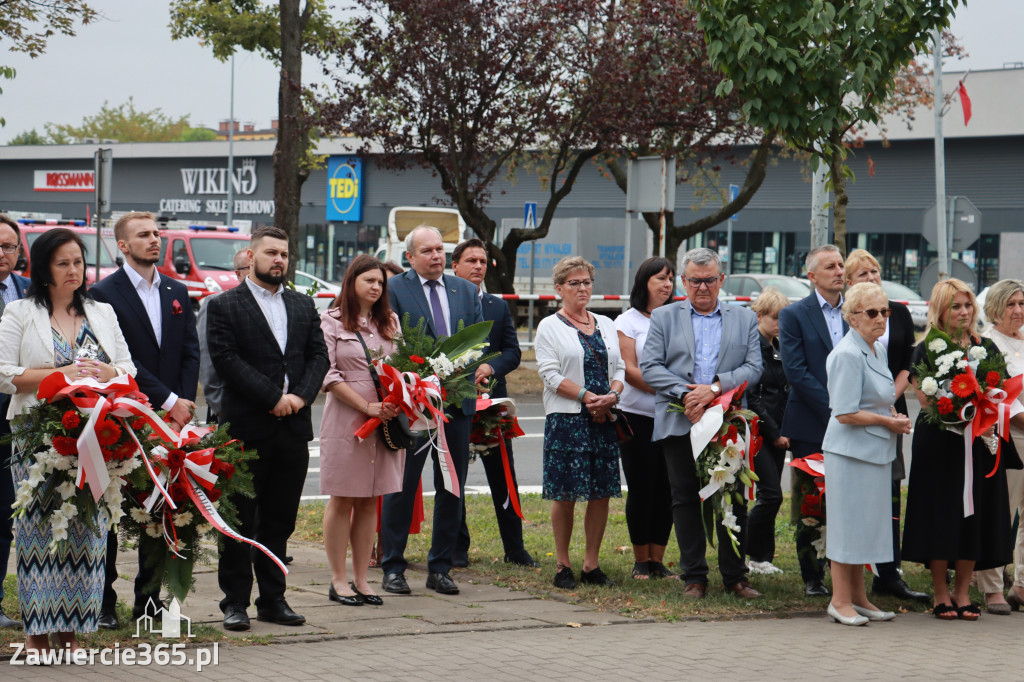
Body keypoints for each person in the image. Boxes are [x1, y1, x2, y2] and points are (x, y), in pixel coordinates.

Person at [0, 228, 135, 654]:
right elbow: (5, 374)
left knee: (87, 533)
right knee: (39, 534)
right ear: (43, 269)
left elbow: (128, 370)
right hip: (37, 436)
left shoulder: (102, 312)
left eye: (78, 261)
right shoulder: (20, 312)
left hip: (97, 436)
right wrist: (63, 376)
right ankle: (38, 634)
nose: (73, 270)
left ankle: (72, 630)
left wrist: (104, 374)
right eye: (63, 263)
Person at [206, 226, 329, 631]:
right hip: (246, 429)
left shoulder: (302, 304)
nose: (279, 260)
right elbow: (226, 359)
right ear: (251, 255)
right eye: (271, 253)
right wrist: (274, 397)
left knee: (281, 520)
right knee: (239, 520)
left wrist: (300, 398)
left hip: (292, 429)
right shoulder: (225, 305)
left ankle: (273, 600)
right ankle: (235, 602)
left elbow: (318, 356)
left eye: (284, 254)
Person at [90, 211, 201, 628]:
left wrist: (183, 405)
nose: (155, 240)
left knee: (160, 510)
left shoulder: (176, 289)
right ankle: (102, 601)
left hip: (172, 421)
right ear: (122, 245)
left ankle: (149, 601)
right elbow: (123, 359)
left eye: (157, 233)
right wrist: (168, 399)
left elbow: (190, 350)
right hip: (124, 414)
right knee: (113, 512)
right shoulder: (103, 293)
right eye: (143, 235)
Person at [641, 247, 763, 599]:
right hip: (681, 420)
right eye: (695, 281)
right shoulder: (663, 317)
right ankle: (693, 576)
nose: (703, 288)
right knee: (684, 498)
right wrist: (687, 395)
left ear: (721, 280)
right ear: (684, 281)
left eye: (710, 280)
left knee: (733, 495)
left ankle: (735, 576)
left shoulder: (744, 318)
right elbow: (650, 367)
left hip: (727, 421)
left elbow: (754, 368)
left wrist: (713, 390)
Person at [902, 278, 1023, 621]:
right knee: (942, 515)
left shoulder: (987, 348)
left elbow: (1001, 392)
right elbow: (925, 399)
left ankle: (962, 591)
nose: (964, 312)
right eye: (956, 306)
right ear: (940, 310)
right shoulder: (926, 348)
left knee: (977, 514)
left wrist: (985, 402)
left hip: (981, 443)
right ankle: (941, 592)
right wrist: (955, 408)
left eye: (968, 305)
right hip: (940, 445)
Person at [381, 225, 483, 596]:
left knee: (451, 486)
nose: (437, 256)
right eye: (427, 251)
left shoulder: (467, 290)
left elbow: (476, 343)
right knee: (402, 486)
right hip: (413, 405)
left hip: (456, 403)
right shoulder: (394, 289)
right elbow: (389, 343)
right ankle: (392, 565)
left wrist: (474, 372)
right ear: (410, 257)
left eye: (440, 249)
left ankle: (441, 566)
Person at [821, 282, 911, 626]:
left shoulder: (876, 350)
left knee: (864, 528)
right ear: (852, 317)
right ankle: (839, 600)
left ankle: (858, 598)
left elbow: (880, 398)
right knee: (847, 527)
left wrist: (893, 417)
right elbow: (844, 412)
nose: (881, 319)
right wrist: (887, 422)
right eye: (871, 312)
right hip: (849, 453)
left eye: (884, 311)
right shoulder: (846, 353)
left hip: (873, 451)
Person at [843, 249, 929, 603]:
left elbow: (909, 359)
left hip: (890, 414)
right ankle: (845, 577)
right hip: (853, 414)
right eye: (863, 273)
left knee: (890, 494)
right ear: (849, 284)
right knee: (854, 499)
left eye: (875, 271)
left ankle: (888, 573)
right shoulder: (848, 318)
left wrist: (891, 396)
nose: (872, 277)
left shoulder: (901, 313)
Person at [535, 256, 624, 589]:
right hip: (568, 420)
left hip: (604, 418)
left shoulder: (606, 323)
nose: (583, 288)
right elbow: (549, 375)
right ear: (559, 288)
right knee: (567, 493)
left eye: (587, 282)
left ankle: (592, 564)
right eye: (574, 283)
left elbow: (619, 370)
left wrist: (611, 397)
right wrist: (589, 398)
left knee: (600, 492)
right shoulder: (549, 326)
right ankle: (562, 565)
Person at [319, 255, 402, 607]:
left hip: (386, 421)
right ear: (351, 281)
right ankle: (338, 580)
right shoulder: (331, 321)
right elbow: (328, 374)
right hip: (347, 420)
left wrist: (402, 398)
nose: (375, 287)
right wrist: (366, 407)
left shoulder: (390, 321)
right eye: (369, 280)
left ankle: (362, 580)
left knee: (371, 499)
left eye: (380, 282)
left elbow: (404, 366)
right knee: (343, 498)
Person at [450, 239, 537, 568]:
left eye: (483, 262)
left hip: (491, 408)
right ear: (455, 265)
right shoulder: (443, 305)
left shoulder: (497, 307)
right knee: (454, 478)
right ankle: (457, 547)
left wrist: (490, 367)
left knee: (504, 477)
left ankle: (515, 548)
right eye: (470, 260)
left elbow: (513, 352)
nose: (478, 267)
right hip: (454, 406)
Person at [779, 244, 846, 597]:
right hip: (811, 421)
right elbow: (796, 371)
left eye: (841, 264)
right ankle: (812, 575)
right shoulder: (794, 315)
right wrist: (836, 409)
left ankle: (844, 570)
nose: (839, 271)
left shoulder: (857, 311)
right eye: (831, 266)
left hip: (854, 421)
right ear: (812, 276)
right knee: (810, 502)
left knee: (846, 497)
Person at [615, 256, 676, 580]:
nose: (667, 284)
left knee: (667, 488)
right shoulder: (628, 321)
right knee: (642, 487)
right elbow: (629, 370)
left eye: (670, 278)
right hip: (637, 415)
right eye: (660, 279)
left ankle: (658, 559)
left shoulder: (677, 318)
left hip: (673, 416)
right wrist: (671, 387)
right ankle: (641, 560)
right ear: (644, 283)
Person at [976, 279, 1024, 614]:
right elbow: (999, 399)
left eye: (1022, 304)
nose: (1019, 310)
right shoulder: (988, 344)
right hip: (1011, 436)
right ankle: (992, 586)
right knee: (1001, 513)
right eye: (1011, 304)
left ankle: (1021, 584)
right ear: (995, 307)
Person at [745, 287, 791, 576]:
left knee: (770, 495)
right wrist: (774, 432)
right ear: (759, 315)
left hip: (776, 431)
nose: (779, 323)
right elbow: (754, 397)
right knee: (772, 494)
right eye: (775, 317)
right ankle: (740, 549)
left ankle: (760, 557)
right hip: (759, 431)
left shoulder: (779, 346)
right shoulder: (755, 348)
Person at [0, 214, 30, 630]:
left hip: (16, 423)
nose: (2, 254)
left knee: (4, 515)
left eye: (8, 247)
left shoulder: (27, 292)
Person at [198, 249, 249, 423]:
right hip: (227, 409)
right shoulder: (217, 304)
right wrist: (219, 405)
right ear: (238, 273)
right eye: (251, 266)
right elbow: (206, 361)